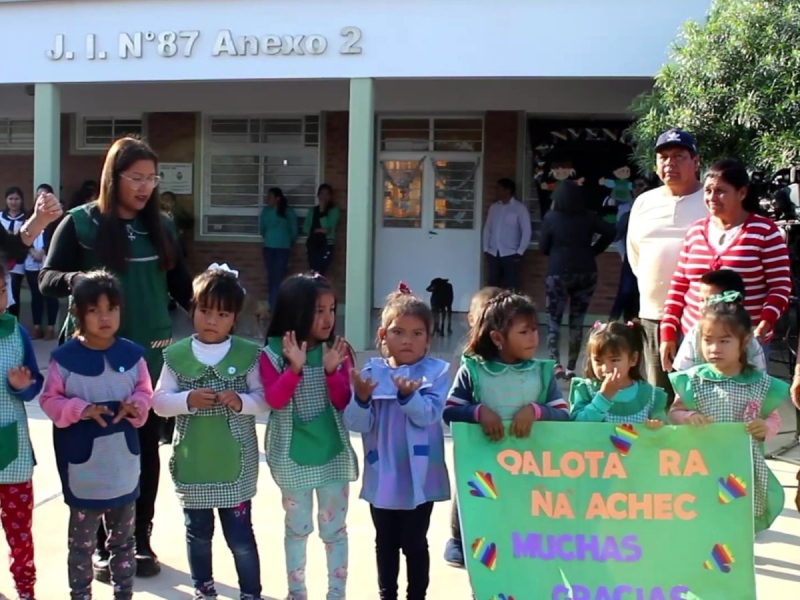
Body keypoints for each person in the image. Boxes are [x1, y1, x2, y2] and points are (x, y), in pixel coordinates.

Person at [39, 137, 193, 580]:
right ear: (114, 177)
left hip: (147, 357)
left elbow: (182, 288)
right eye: (136, 178)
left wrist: (215, 310)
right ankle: (103, 546)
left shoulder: (161, 227)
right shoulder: (81, 224)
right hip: (90, 365)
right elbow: (48, 277)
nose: (145, 187)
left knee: (142, 451)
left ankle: (137, 540)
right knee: (96, 451)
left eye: (151, 178)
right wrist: (79, 279)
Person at [153, 265, 268, 600]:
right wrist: (186, 400)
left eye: (222, 313)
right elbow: (158, 402)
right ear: (192, 310)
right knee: (198, 534)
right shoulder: (176, 355)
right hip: (194, 463)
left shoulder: (249, 354)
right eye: (204, 311)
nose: (211, 320)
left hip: (236, 468)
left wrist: (242, 400)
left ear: (234, 318)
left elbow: (264, 400)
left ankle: (251, 592)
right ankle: (203, 589)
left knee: (241, 538)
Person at [38, 270, 152, 600]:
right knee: (81, 546)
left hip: (123, 466)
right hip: (83, 469)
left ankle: (124, 593)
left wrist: (137, 404)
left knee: (124, 541)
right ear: (77, 313)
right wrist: (79, 408)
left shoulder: (132, 356)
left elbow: (147, 391)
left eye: (111, 308)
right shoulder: (65, 360)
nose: (105, 317)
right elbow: (49, 400)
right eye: (94, 310)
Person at [344, 283, 451, 600]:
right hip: (384, 474)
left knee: (416, 542)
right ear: (382, 337)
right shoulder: (371, 373)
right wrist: (362, 400)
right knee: (385, 541)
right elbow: (356, 423)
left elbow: (430, 415)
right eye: (398, 332)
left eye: (418, 333)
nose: (408, 340)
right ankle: (386, 593)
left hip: (419, 476)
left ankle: (417, 594)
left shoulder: (435, 372)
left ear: (428, 340)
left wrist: (408, 396)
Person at [258, 273, 357, 600]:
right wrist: (294, 369)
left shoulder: (336, 350)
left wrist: (331, 371)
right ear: (296, 312)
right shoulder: (273, 353)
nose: (328, 318)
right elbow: (274, 400)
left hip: (332, 457)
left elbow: (343, 402)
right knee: (297, 531)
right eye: (319, 310)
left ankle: (336, 594)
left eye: (332, 309)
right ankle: (296, 592)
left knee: (335, 532)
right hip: (291, 459)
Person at [668, 295, 786, 533]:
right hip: (701, 464)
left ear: (743, 342)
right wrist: (688, 418)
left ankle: (735, 559)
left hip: (741, 466)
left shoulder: (759, 383)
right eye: (708, 340)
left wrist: (765, 427)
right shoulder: (693, 380)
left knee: (737, 521)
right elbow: (674, 411)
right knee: (701, 519)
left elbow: (773, 418)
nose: (714, 348)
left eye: (724, 341)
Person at [659, 158, 791, 370]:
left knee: (743, 403)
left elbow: (781, 286)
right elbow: (679, 286)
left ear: (742, 193)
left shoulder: (764, 232)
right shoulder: (695, 231)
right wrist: (667, 332)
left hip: (744, 341)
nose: (712, 197)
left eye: (721, 191)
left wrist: (766, 322)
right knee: (690, 401)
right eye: (708, 191)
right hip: (696, 340)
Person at [627, 129, 707, 402]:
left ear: (695, 162)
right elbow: (635, 256)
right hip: (653, 317)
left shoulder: (711, 200)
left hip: (700, 320)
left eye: (679, 156)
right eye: (663, 157)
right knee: (658, 399)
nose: (670, 163)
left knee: (698, 401)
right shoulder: (644, 203)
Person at [443, 291, 570, 437]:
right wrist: (479, 412)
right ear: (497, 338)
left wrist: (535, 411)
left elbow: (563, 415)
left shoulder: (543, 373)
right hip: (484, 457)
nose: (533, 338)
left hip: (531, 457)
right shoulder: (472, 371)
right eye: (524, 332)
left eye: (534, 329)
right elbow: (449, 413)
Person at [442, 286, 502, 569]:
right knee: (468, 487)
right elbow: (451, 404)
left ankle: (497, 537)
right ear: (470, 319)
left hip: (507, 442)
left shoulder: (519, 362)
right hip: (474, 439)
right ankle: (458, 540)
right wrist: (475, 411)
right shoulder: (468, 356)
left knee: (501, 489)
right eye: (483, 316)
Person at [540, 181, 615, 380]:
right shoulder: (589, 217)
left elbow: (542, 247)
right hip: (586, 271)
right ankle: (572, 366)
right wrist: (593, 251)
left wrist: (556, 251)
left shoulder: (551, 218)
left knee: (553, 319)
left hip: (558, 272)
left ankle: (555, 364)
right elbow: (611, 231)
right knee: (577, 320)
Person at [0, 262, 44, 600]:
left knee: (19, 532)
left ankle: (25, 590)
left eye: (1, 291)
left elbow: (34, 385)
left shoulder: (17, 332)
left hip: (13, 455)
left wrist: (21, 387)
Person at [569, 321, 667, 426]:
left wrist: (657, 426)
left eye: (614, 360)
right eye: (598, 360)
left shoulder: (650, 395)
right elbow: (576, 426)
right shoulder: (585, 390)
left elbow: (665, 432)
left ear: (633, 359)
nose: (606, 368)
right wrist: (603, 397)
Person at [672, 270, 766, 372]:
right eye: (702, 300)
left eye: (711, 300)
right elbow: (683, 371)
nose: (704, 306)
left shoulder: (746, 336)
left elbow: (759, 374)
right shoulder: (696, 332)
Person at [609, 176, 648, 322]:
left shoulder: (656, 210)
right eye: (636, 186)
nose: (639, 190)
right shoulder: (627, 211)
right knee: (625, 291)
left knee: (640, 294)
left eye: (643, 186)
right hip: (631, 257)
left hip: (649, 259)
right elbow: (617, 235)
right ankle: (612, 322)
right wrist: (625, 254)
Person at [24, 186, 60, 340]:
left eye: (45, 195)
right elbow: (23, 235)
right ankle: (37, 327)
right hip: (32, 261)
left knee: (51, 294)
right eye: (39, 195)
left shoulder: (58, 218)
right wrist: (32, 251)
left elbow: (56, 238)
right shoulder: (27, 216)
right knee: (36, 296)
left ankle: (51, 328)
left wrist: (43, 251)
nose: (41, 198)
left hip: (48, 260)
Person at [482, 178, 531, 290]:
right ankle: (492, 307)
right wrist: (485, 248)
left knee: (512, 285)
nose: (496, 191)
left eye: (499, 189)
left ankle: (512, 307)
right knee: (492, 285)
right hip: (493, 252)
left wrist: (520, 252)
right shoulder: (494, 208)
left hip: (511, 253)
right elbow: (488, 228)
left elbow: (526, 231)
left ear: (507, 190)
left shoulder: (519, 209)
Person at [259, 187, 298, 310]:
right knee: (271, 277)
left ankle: (274, 306)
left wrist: (286, 240)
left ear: (277, 198)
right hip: (268, 248)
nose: (268, 199)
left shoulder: (288, 212)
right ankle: (273, 304)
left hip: (282, 249)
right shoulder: (266, 211)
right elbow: (262, 229)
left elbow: (294, 231)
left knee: (278, 277)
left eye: (270, 197)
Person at [1, 187, 29, 320]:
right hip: (2, 263)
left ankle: (14, 323)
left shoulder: (27, 218)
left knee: (13, 293)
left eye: (16, 199)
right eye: (10, 199)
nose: (13, 202)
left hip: (19, 261)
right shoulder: (0, 216)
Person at [303, 184, 339, 276]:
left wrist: (322, 211)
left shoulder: (333, 210)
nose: (324, 197)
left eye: (327, 194)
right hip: (313, 244)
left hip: (326, 244)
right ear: (318, 195)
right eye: (322, 194)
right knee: (313, 271)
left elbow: (328, 228)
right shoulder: (312, 211)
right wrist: (319, 230)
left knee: (321, 271)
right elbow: (306, 228)